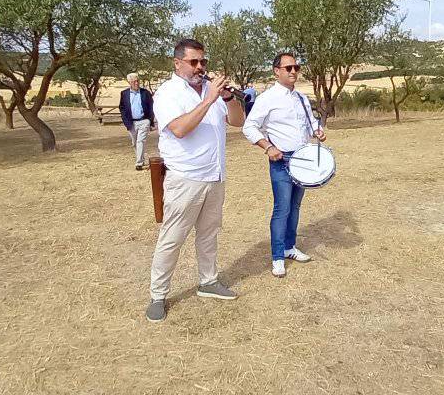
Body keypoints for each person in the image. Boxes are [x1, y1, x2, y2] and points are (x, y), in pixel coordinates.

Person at [145, 38, 246, 322]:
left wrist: (228, 98)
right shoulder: (168, 94)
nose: (200, 67)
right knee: (172, 238)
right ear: (177, 63)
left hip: (215, 175)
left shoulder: (211, 91)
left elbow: (237, 121)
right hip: (185, 178)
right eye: (193, 62)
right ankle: (158, 294)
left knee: (209, 233)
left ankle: (208, 281)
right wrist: (210, 99)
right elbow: (180, 129)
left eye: (203, 61)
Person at [242, 52, 326, 278]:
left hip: (303, 158)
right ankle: (278, 256)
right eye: (288, 68)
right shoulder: (267, 98)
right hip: (281, 160)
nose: (293, 71)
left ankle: (290, 247)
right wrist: (269, 147)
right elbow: (249, 127)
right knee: (282, 208)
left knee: (295, 207)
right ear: (276, 71)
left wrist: (317, 130)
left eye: (296, 68)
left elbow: (310, 124)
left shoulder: (301, 98)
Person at [119, 72, 156, 170]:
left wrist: (150, 120)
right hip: (131, 123)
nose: (136, 83)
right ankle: (141, 159)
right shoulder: (124, 94)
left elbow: (151, 106)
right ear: (129, 82)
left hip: (144, 121)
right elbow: (122, 108)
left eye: (137, 81)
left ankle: (139, 163)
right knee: (134, 143)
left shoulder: (145, 93)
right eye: (134, 81)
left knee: (141, 141)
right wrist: (126, 121)